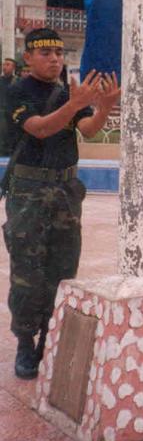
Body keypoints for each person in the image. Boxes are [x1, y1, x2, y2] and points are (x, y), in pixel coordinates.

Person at [3, 28, 120, 380]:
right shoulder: (16, 91)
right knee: (28, 273)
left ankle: (48, 341)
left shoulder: (67, 90)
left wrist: (104, 108)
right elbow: (38, 128)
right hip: (29, 193)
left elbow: (87, 130)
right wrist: (73, 102)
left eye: (57, 52)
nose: (54, 58)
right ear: (28, 58)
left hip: (65, 192)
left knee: (62, 270)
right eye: (45, 53)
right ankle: (26, 341)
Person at [0, 57, 17, 155]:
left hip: (12, 114)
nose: (4, 67)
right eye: (4, 64)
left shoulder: (17, 82)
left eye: (7, 65)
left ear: (13, 67)